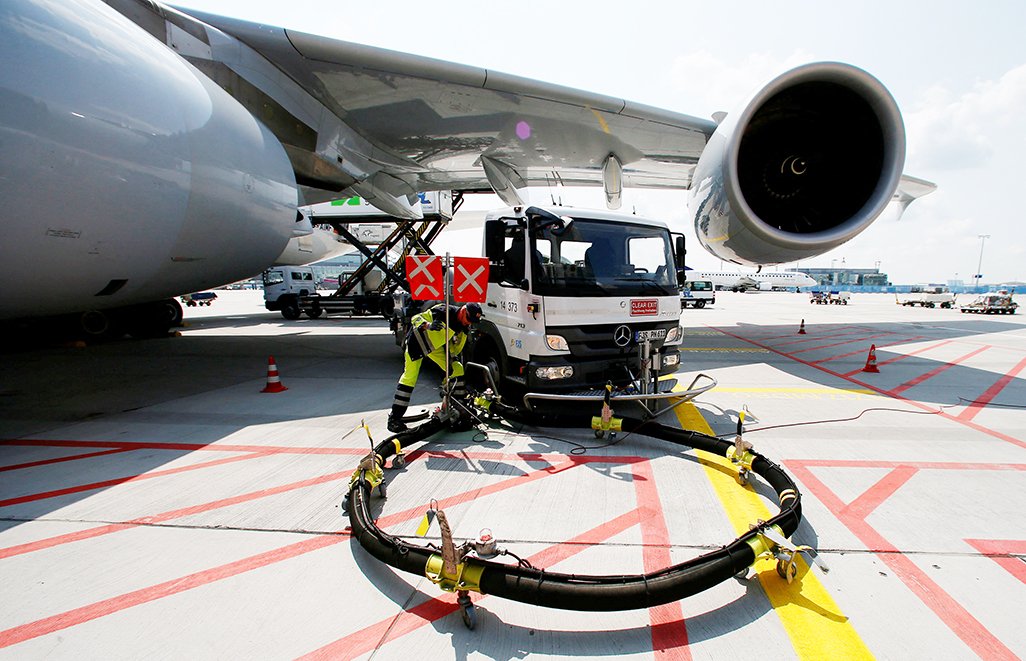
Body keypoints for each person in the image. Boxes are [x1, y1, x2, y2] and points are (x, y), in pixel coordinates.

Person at [388, 302, 484, 433]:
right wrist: (427, 325)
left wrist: (451, 360)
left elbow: (456, 348)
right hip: (417, 345)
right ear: (463, 312)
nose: (469, 323)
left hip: (435, 348)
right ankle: (394, 419)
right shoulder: (443, 311)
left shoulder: (463, 327)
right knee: (410, 377)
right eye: (469, 320)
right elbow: (415, 318)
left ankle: (460, 408)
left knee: (457, 368)